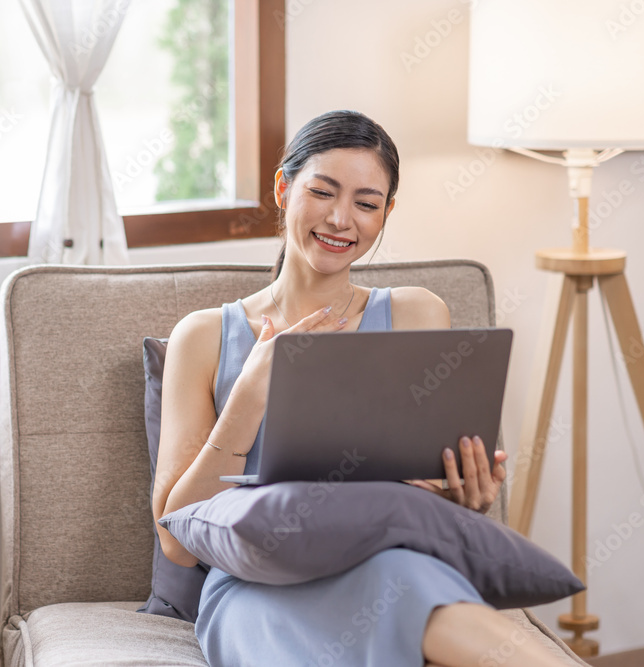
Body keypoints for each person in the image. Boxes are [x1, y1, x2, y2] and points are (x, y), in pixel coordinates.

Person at [152, 110, 569, 667]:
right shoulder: (204, 336)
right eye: (322, 192)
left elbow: (424, 501)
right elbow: (176, 541)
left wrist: (463, 496)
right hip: (257, 588)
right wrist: (250, 395)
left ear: (386, 213)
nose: (340, 219)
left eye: (367, 204)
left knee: (409, 583)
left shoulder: (418, 313)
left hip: (387, 563)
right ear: (283, 187)